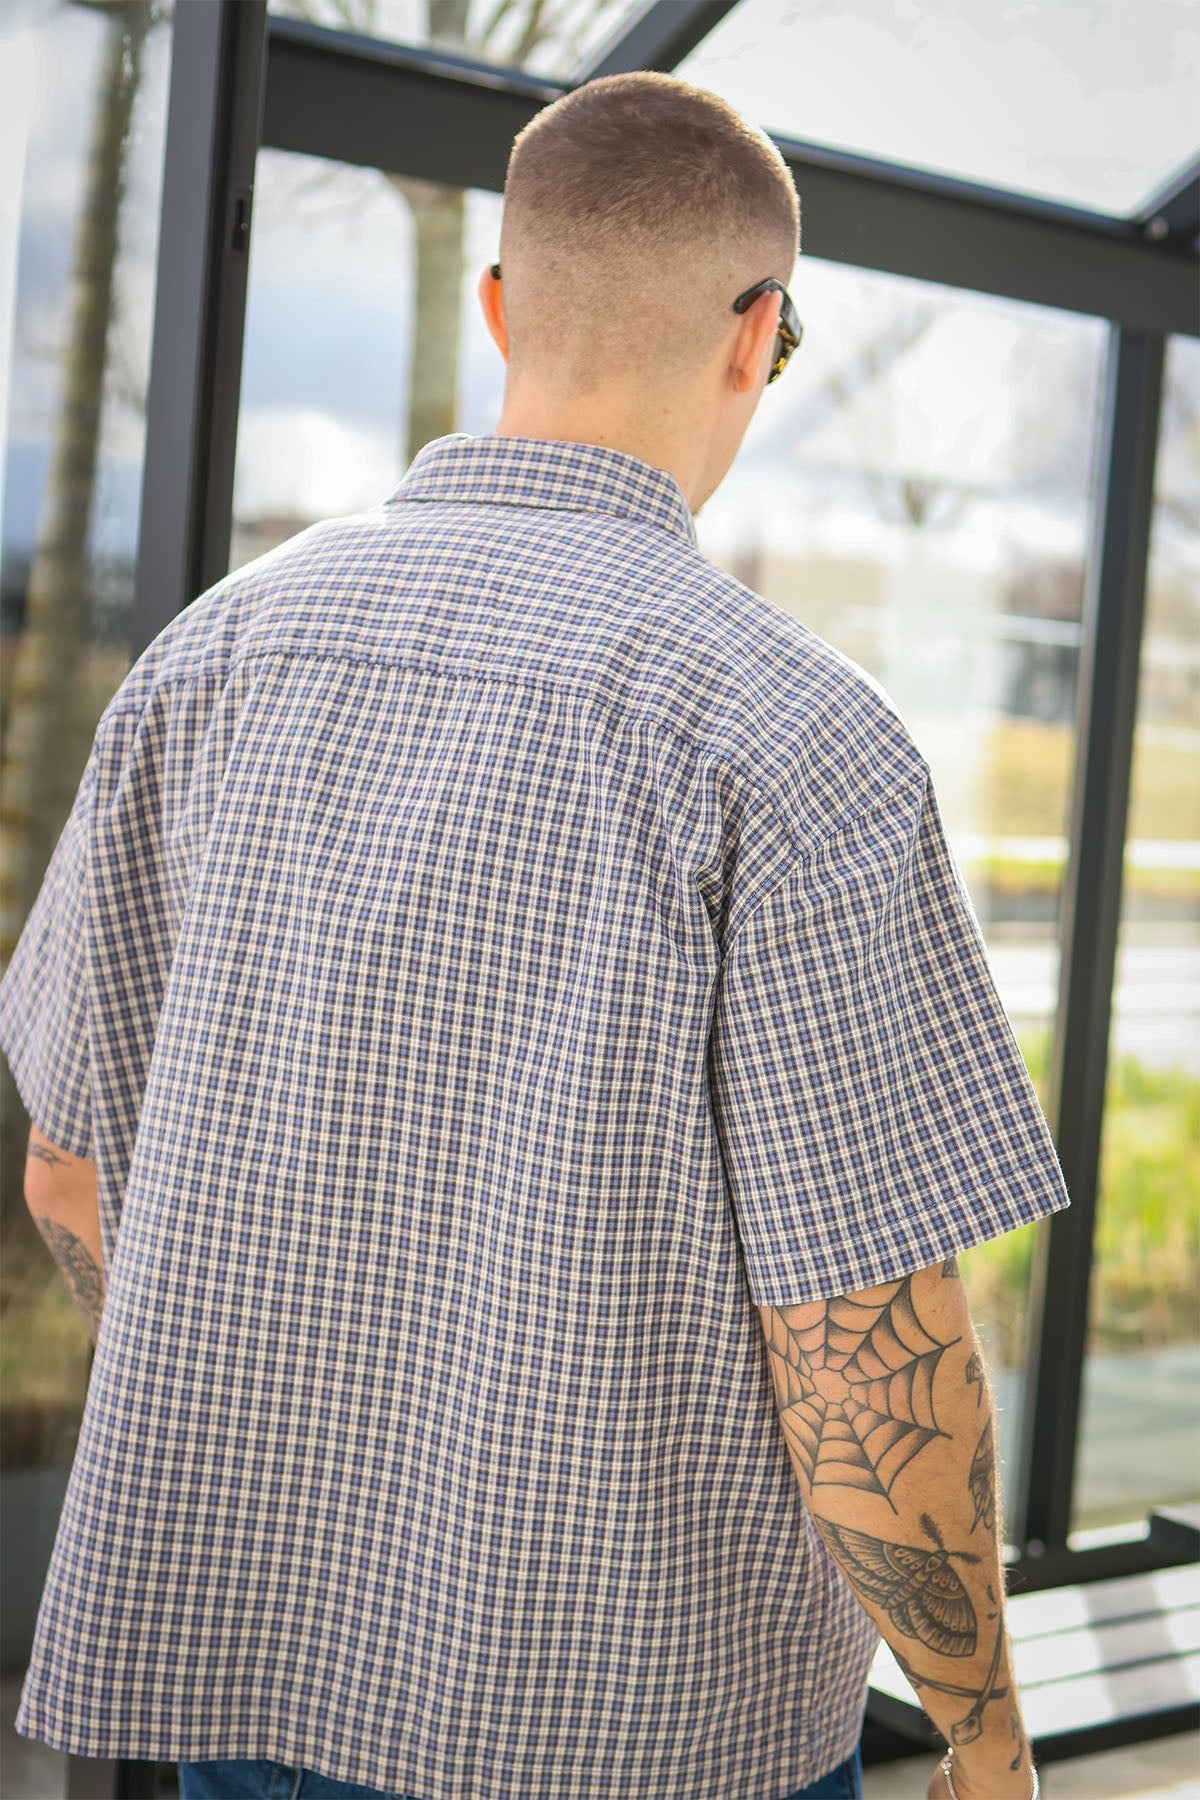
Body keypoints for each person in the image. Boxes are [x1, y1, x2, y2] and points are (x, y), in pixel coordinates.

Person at [1, 70, 1065, 1800]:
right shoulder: (800, 743)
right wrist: (985, 1733)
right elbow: (860, 1335)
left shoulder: (208, 661)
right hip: (657, 1739)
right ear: (758, 333)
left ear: (501, 307)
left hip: (255, 1693)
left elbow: (70, 1175)